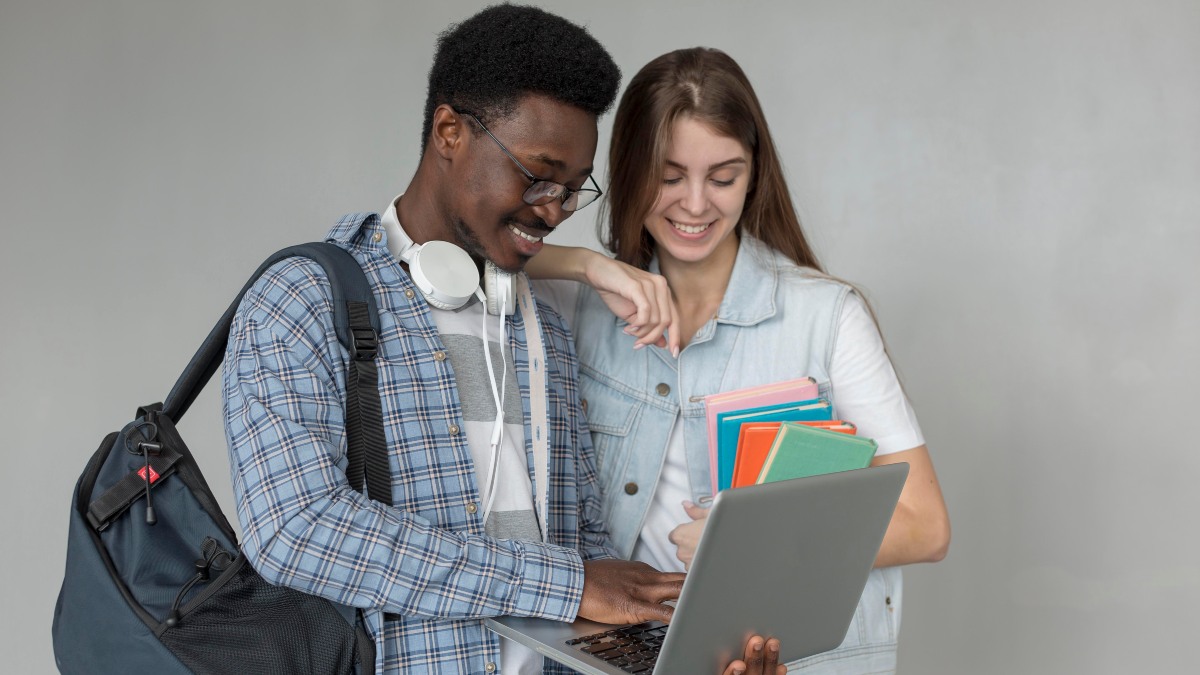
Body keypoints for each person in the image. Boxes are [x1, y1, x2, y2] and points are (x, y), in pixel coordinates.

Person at [223, 7, 782, 675]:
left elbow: (588, 548)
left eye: (573, 190)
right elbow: (297, 530)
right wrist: (565, 582)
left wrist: (678, 654)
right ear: (450, 131)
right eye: (538, 175)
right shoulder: (301, 301)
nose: (552, 211)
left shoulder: (540, 320)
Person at [528, 47, 951, 673]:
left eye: (723, 177)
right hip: (632, 654)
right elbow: (455, 254)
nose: (695, 205)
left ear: (754, 175)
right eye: (669, 177)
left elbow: (926, 526)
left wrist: (749, 549)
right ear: (629, 171)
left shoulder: (826, 317)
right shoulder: (578, 306)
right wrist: (587, 264)